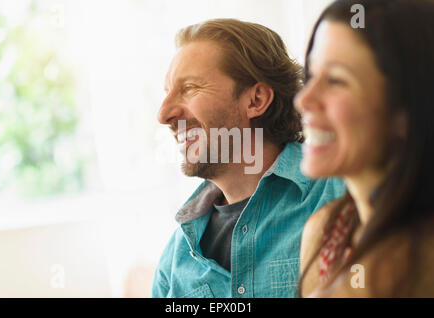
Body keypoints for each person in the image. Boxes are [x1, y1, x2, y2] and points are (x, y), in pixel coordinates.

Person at [152, 18, 345, 298]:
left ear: (256, 100)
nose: (164, 114)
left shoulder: (341, 193)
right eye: (167, 92)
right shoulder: (176, 257)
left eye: (190, 88)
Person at [295, 0, 434, 297]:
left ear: (406, 114)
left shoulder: (422, 261)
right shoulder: (325, 231)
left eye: (335, 80)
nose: (303, 100)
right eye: (311, 75)